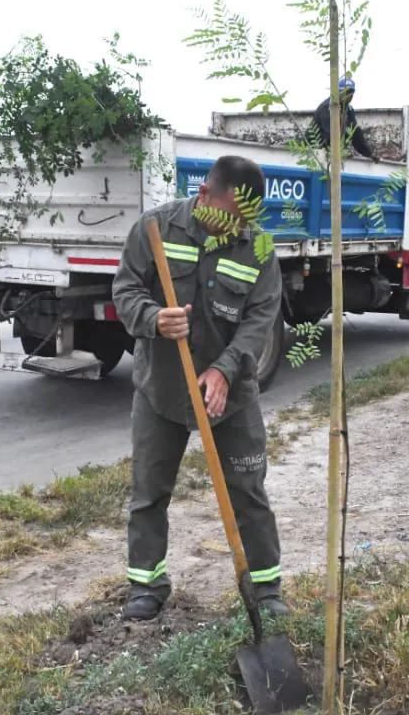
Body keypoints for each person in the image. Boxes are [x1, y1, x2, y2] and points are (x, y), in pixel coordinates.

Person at [111, 155, 287, 622]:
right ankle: (146, 584)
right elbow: (125, 291)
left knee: (248, 491)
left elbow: (261, 318)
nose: (237, 231)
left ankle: (266, 589)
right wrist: (153, 318)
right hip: (161, 390)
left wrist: (225, 370)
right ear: (204, 196)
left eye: (245, 221)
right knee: (149, 491)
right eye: (230, 219)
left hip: (232, 398)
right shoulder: (155, 229)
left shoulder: (261, 246)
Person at [310, 77, 378, 160]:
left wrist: (369, 154)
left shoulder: (348, 109)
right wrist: (342, 152)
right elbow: (331, 135)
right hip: (315, 151)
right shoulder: (327, 108)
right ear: (338, 92)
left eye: (350, 93)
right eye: (345, 92)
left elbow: (356, 134)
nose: (348, 96)